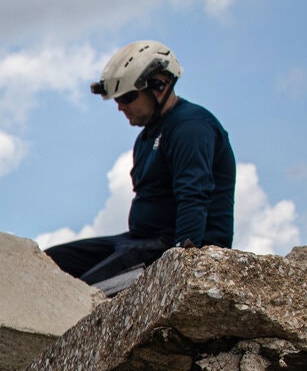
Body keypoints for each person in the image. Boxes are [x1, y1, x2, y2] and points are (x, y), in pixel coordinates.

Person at [45, 41, 235, 287]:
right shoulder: (146, 137)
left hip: (168, 247)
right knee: (48, 263)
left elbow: (193, 196)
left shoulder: (190, 127)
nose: (120, 106)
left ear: (159, 85)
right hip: (137, 241)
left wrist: (182, 264)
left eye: (127, 97)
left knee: (81, 292)